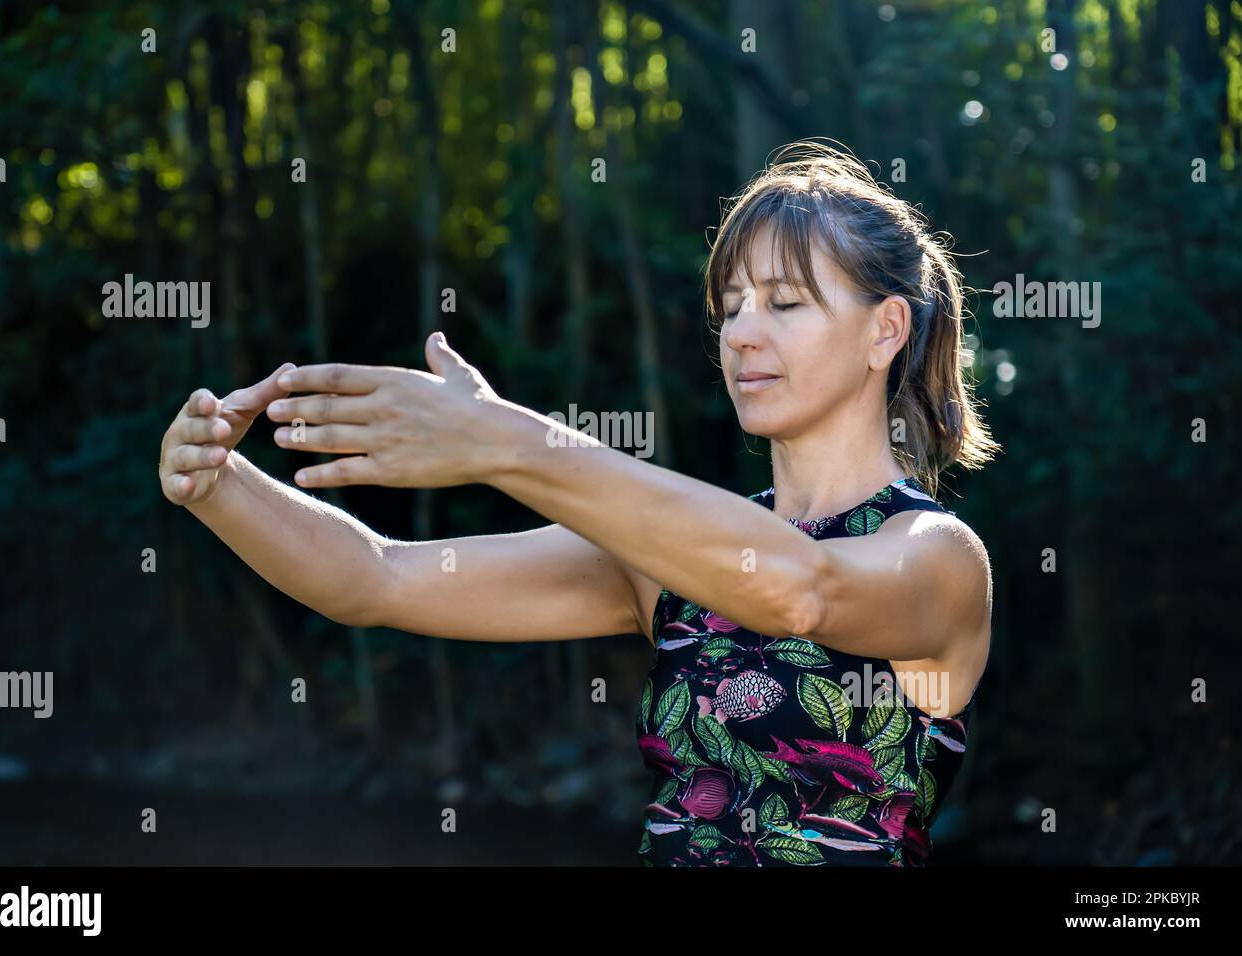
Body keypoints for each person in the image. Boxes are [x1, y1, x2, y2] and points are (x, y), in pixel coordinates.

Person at [157, 141, 997, 866]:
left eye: (784, 303)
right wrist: (219, 487)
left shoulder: (936, 556)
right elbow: (375, 578)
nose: (742, 333)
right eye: (731, 306)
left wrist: (505, 442)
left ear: (884, 331)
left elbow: (799, 589)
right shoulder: (664, 561)